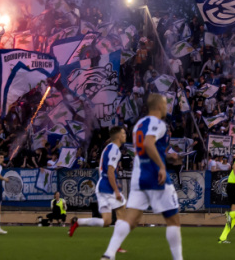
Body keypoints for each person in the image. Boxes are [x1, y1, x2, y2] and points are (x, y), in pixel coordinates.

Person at [100, 94, 184, 260]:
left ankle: (108, 254)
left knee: (130, 220)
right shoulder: (159, 123)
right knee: (173, 220)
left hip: (139, 178)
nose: (167, 108)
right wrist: (162, 166)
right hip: (156, 176)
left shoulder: (138, 125)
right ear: (159, 106)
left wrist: (167, 157)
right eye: (165, 105)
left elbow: (145, 150)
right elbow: (148, 143)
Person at [69, 125, 127, 238]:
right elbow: (110, 172)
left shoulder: (108, 147)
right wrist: (116, 190)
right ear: (118, 136)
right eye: (123, 133)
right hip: (108, 188)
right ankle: (116, 244)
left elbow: (107, 171)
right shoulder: (115, 150)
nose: (125, 135)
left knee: (106, 221)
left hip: (102, 186)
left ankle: (78, 222)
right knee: (122, 212)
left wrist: (115, 182)